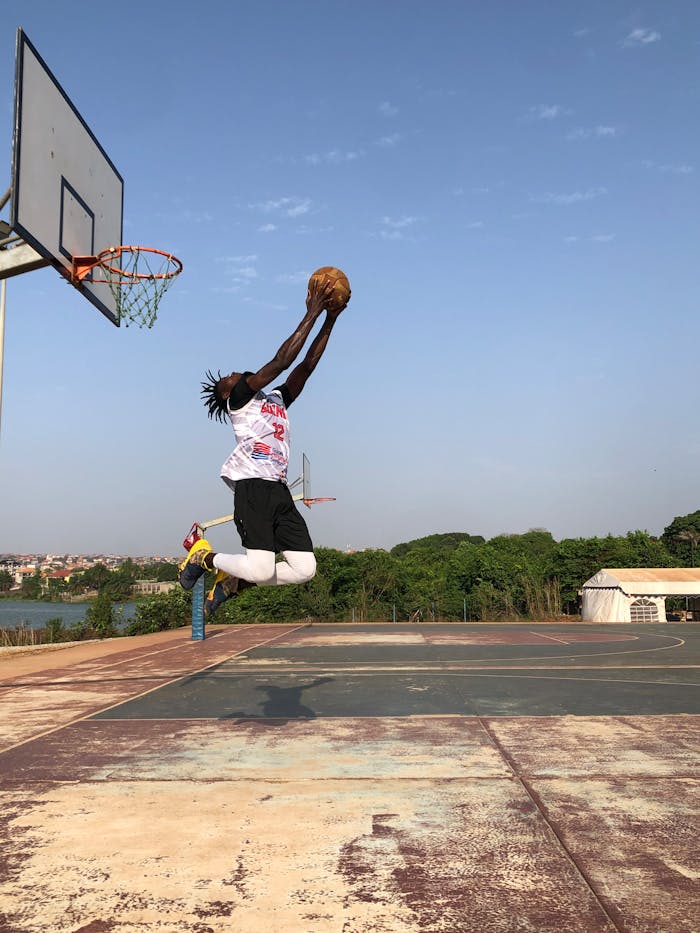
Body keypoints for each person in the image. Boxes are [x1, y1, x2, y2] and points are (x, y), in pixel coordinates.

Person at [179, 277, 348, 618]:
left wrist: (331, 319)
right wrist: (313, 311)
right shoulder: (239, 400)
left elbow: (305, 367)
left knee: (305, 569)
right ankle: (202, 557)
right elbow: (282, 361)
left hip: (278, 491)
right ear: (227, 392)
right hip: (252, 487)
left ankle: (234, 581)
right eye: (227, 377)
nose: (231, 373)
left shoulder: (276, 400)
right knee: (260, 567)